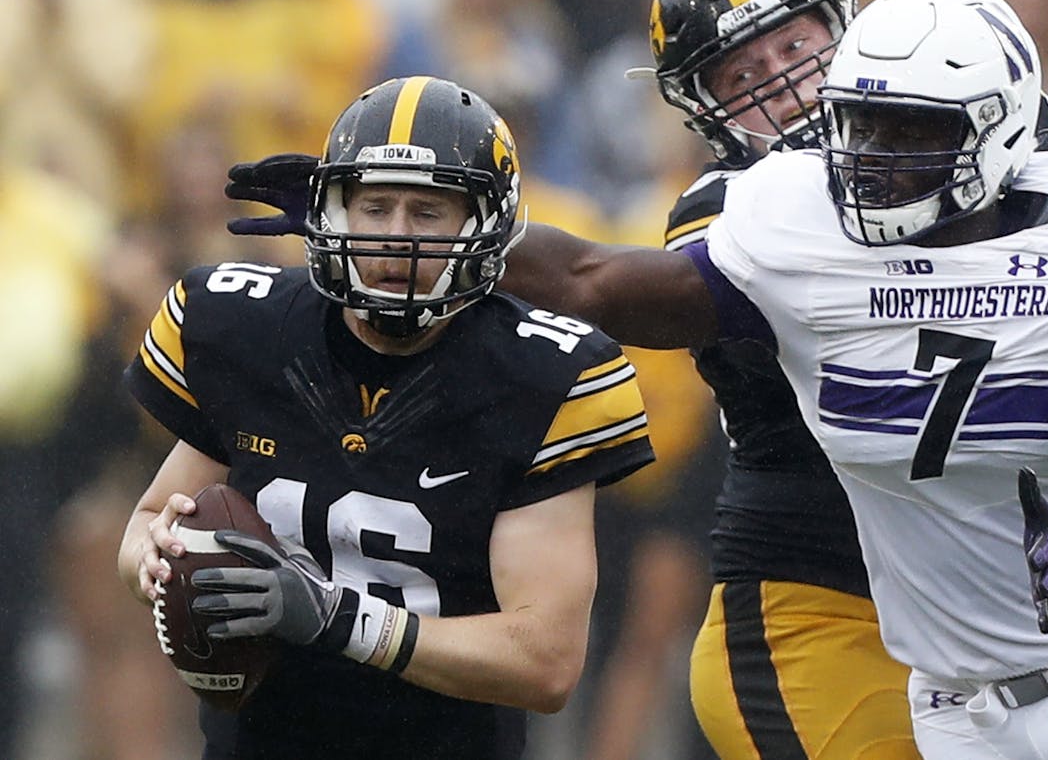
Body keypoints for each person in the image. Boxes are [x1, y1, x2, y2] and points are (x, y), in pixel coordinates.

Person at [225, 0, 1048, 760]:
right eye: (740, 68)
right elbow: (603, 280)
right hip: (821, 594)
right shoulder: (756, 216)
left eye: (796, 47)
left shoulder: (995, 150)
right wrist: (415, 219)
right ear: (693, 100)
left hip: (1033, 604)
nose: (782, 84)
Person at [116, 76, 655, 759]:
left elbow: (545, 660)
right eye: (375, 207)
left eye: (427, 212)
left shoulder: (543, 376)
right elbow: (145, 525)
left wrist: (337, 619)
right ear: (333, 212)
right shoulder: (243, 328)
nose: (397, 236)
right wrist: (160, 561)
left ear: (483, 225)